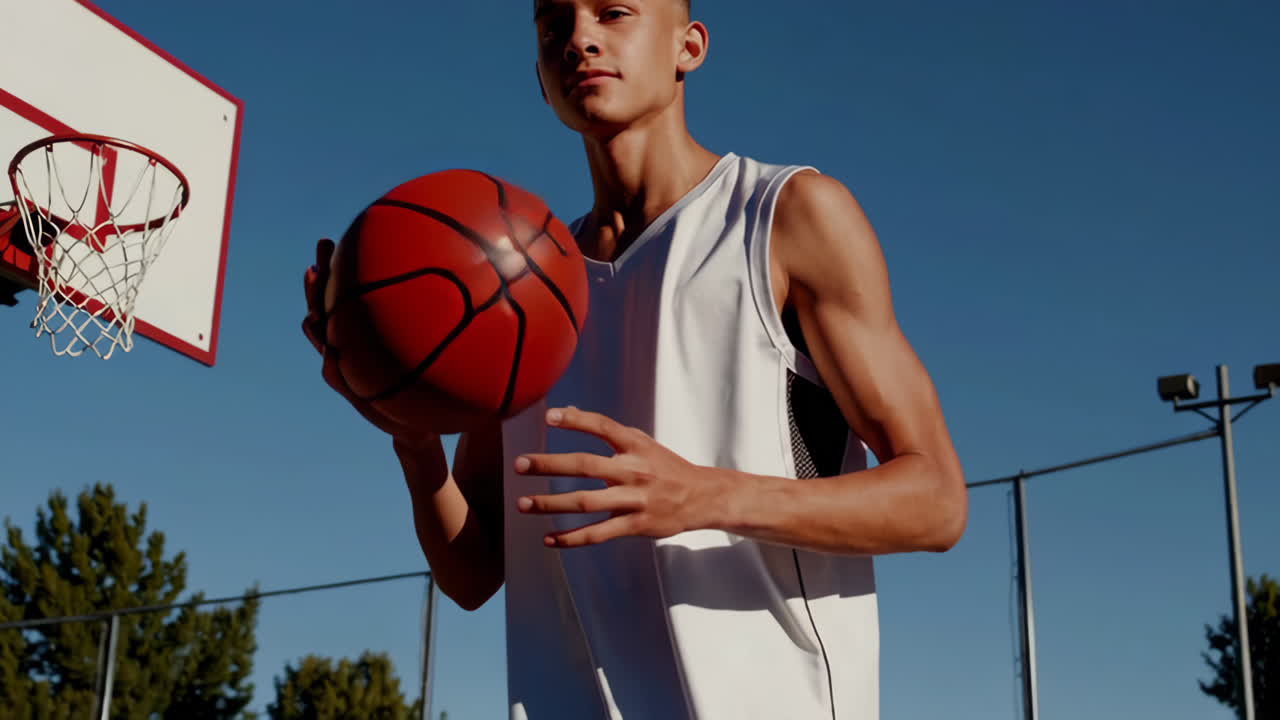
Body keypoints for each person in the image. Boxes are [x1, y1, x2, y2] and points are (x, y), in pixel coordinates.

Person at [304, 1, 967, 717]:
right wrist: (412, 435)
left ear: (689, 46)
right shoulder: (523, 284)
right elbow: (470, 573)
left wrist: (705, 495)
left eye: (613, 13)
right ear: (539, 76)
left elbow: (935, 501)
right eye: (555, 26)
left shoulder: (785, 216)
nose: (580, 39)